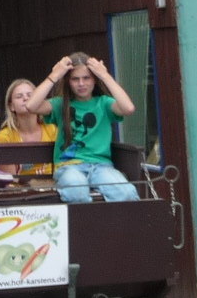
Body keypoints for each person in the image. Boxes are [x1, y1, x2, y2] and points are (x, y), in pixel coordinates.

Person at [25, 52, 138, 203]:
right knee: (76, 190)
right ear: (68, 82)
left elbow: (128, 108)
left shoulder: (104, 103)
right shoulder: (60, 104)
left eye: (86, 78)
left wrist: (105, 76)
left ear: (94, 80)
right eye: (75, 79)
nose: (81, 84)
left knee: (126, 193)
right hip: (69, 167)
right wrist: (54, 75)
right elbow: (31, 105)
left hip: (101, 167)